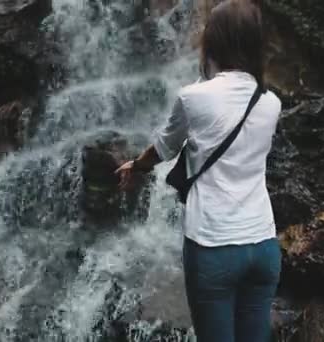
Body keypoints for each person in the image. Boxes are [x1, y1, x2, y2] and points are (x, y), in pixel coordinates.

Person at [115, 1, 282, 341]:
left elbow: (163, 148)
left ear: (214, 41)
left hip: (214, 246)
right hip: (263, 246)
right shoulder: (271, 102)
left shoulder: (193, 97)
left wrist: (137, 165)